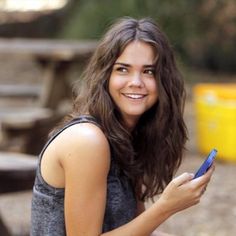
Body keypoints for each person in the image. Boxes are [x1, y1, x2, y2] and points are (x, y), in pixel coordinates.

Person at [31, 17, 214, 236]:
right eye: (123, 69)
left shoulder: (126, 136)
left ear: (164, 81)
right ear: (105, 76)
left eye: (149, 71)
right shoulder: (86, 141)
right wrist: (165, 207)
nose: (136, 81)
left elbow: (137, 228)